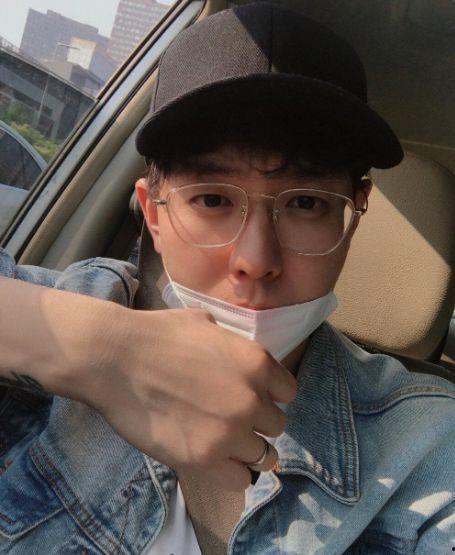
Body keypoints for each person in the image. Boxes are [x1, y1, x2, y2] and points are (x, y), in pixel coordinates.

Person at [0, 3, 454, 554]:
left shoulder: (424, 441)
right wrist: (98, 348)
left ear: (353, 218)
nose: (256, 260)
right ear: (155, 214)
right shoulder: (75, 304)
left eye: (306, 203)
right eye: (212, 200)